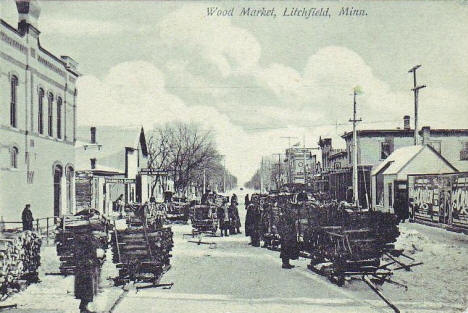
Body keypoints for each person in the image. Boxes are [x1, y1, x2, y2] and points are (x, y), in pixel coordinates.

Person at [74, 233, 105, 313]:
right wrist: (91, 260)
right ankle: (83, 308)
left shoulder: (89, 240)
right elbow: (85, 254)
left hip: (87, 267)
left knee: (87, 288)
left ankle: (83, 306)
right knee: (86, 288)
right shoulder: (87, 240)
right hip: (85, 268)